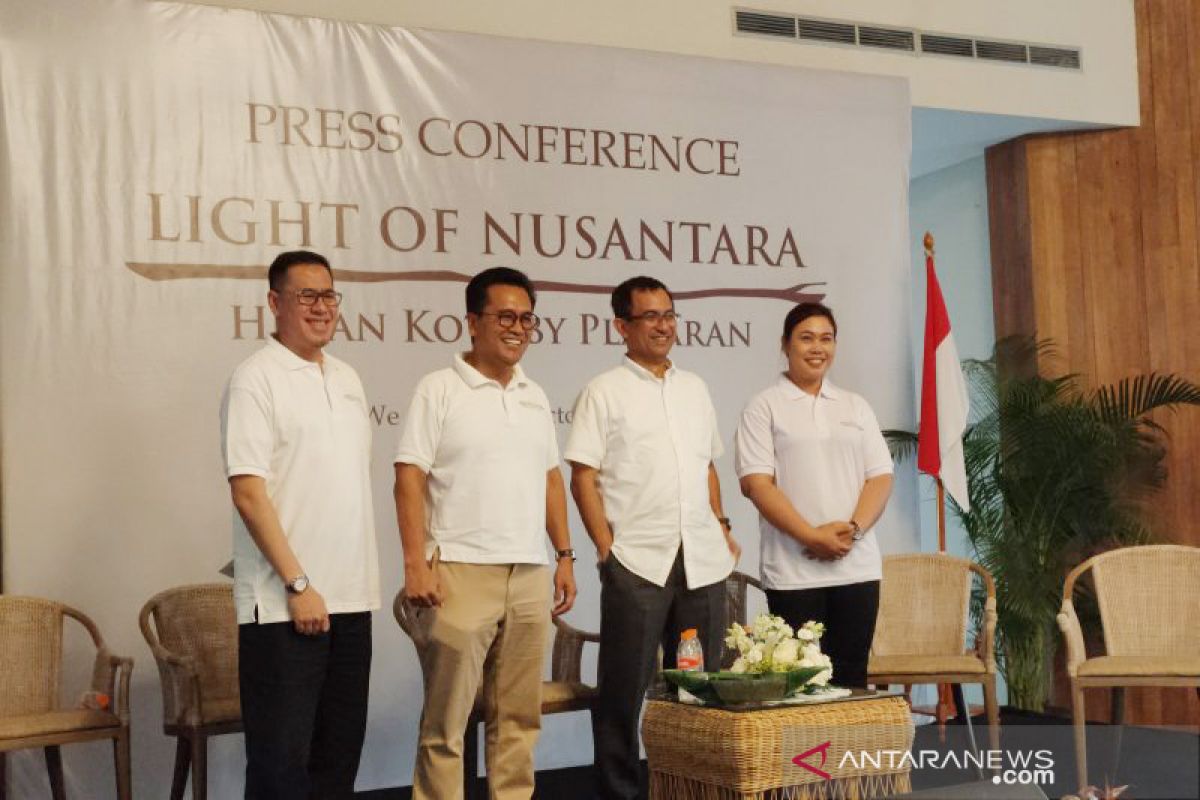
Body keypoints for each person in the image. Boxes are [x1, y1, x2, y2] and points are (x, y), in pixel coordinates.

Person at [394, 266, 577, 800]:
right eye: (505, 317)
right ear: (473, 322)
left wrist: (564, 555)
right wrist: (414, 563)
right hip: (458, 572)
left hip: (528, 571)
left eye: (526, 319)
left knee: (519, 719)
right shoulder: (439, 389)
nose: (517, 328)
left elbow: (550, 478)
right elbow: (408, 477)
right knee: (446, 726)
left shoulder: (533, 395)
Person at [565, 275, 740, 800]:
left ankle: (691, 788)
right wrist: (604, 548)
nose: (663, 326)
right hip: (637, 564)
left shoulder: (694, 388)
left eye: (669, 314)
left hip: (702, 563)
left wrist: (722, 525)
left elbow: (707, 466)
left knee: (700, 690)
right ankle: (620, 792)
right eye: (650, 317)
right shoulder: (603, 391)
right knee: (623, 692)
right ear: (622, 326)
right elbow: (582, 476)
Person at [220, 250, 380, 799]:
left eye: (329, 295)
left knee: (337, 759)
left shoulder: (348, 378)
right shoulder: (255, 378)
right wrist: (298, 583)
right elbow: (248, 492)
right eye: (305, 295)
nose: (321, 307)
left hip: (351, 601)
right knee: (280, 767)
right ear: (274, 303)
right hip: (286, 605)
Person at [734, 301, 893, 688]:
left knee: (851, 677)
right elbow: (757, 484)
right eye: (806, 338)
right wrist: (811, 537)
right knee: (799, 684)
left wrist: (851, 531)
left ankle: (844, 752)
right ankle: (804, 753)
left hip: (856, 566)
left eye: (826, 339)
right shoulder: (764, 406)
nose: (817, 348)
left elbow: (880, 477)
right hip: (793, 571)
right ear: (785, 345)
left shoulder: (855, 406)